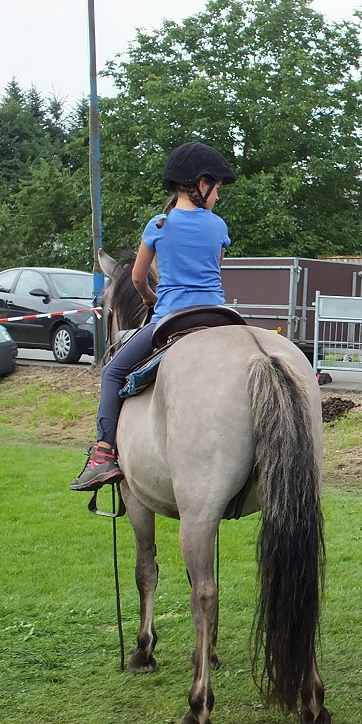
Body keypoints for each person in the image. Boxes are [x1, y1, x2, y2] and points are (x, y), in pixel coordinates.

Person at [70, 141, 237, 491]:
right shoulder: (218, 226)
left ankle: (102, 454)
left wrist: (150, 298)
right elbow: (214, 272)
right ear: (201, 184)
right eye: (217, 188)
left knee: (113, 372)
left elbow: (136, 278)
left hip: (172, 317)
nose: (218, 196)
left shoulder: (158, 225)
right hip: (219, 314)